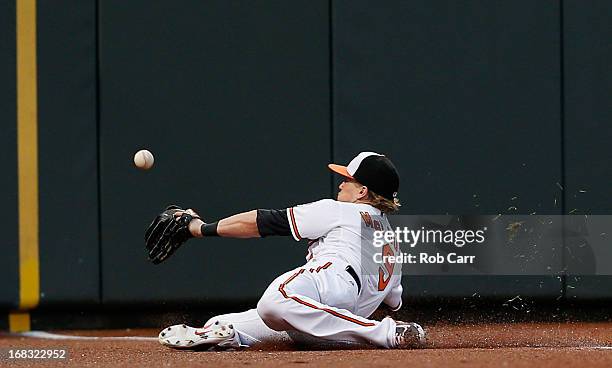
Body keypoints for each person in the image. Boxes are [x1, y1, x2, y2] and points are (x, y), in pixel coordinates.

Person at [158, 152, 425, 349]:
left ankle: (385, 333)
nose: (341, 184)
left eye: (348, 179)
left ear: (362, 191)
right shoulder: (391, 238)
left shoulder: (342, 210)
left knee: (276, 300)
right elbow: (393, 301)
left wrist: (200, 228)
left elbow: (263, 222)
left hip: (330, 283)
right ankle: (231, 338)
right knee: (221, 324)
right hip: (333, 321)